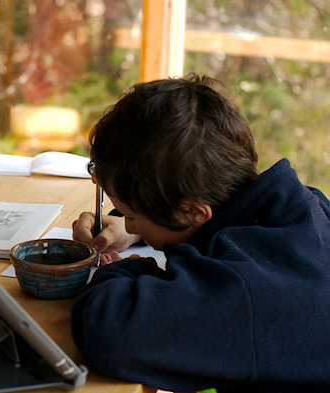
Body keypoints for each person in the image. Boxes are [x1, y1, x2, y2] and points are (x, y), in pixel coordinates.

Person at [70, 73, 330, 393]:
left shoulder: (248, 287)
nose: (127, 223)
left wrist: (127, 270)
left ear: (192, 212)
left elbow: (108, 332)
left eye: (132, 216)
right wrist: (137, 230)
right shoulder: (306, 208)